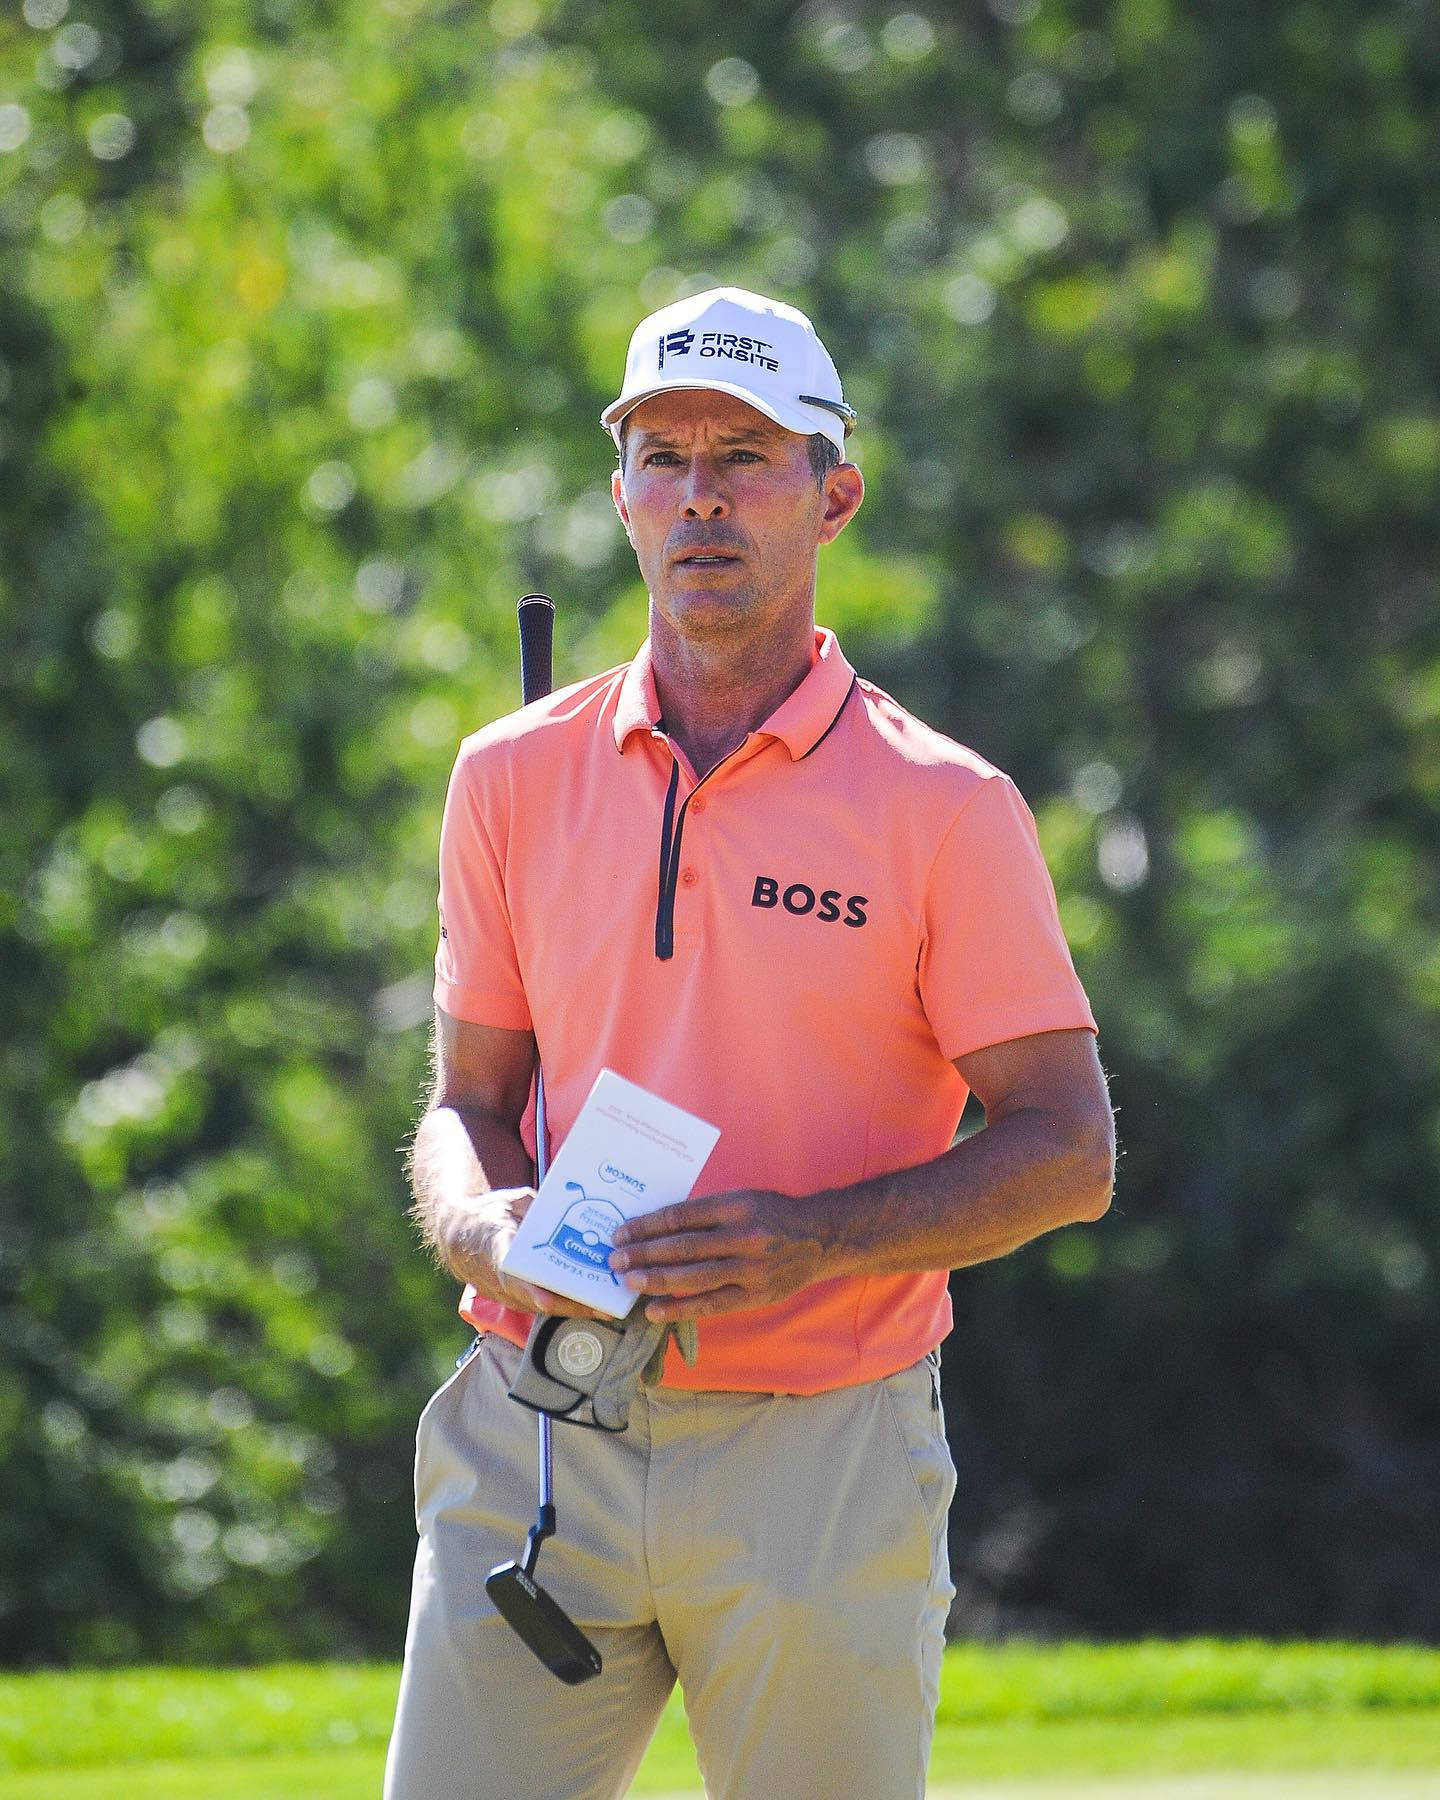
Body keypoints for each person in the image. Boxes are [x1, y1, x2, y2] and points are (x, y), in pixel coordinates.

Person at [383, 287, 1114, 1800]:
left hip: (821, 1452)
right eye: (663, 454)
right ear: (621, 496)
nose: (700, 493)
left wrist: (811, 1241)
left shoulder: (946, 808)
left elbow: (1069, 1151)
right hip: (538, 1423)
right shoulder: (507, 775)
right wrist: (477, 1226)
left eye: (748, 453)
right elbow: (469, 1099)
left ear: (832, 494)